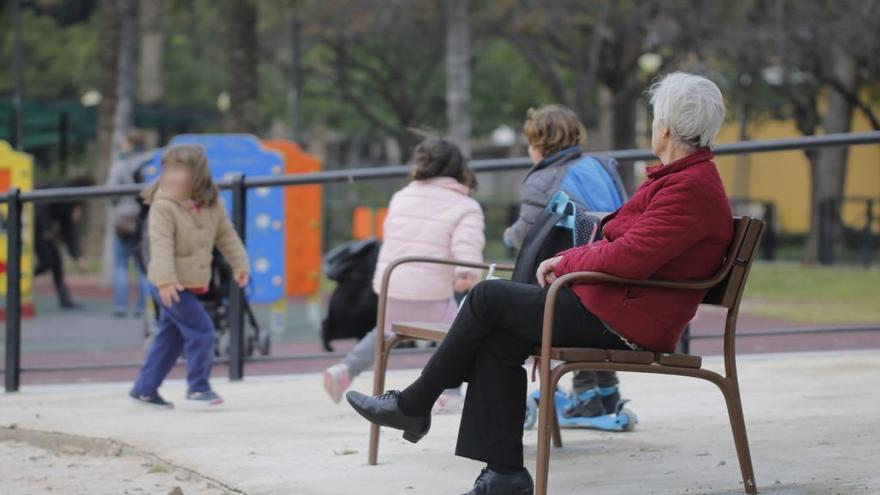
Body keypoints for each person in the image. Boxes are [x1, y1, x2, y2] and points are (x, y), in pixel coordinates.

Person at [345, 72, 733, 494]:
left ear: (668, 128)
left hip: (627, 321)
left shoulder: (689, 189)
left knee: (486, 296)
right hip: (616, 306)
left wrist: (566, 260)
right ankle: (504, 474)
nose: (653, 127)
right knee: (497, 341)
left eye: (654, 119)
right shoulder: (678, 180)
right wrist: (578, 258)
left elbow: (629, 256)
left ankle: (414, 404)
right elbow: (617, 239)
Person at [323, 138, 486, 408]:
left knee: (383, 331)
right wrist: (465, 273)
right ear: (458, 168)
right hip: (431, 288)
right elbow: (466, 245)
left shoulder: (401, 196)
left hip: (392, 283)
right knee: (456, 335)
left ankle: (344, 371)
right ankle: (450, 392)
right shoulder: (465, 205)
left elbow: (393, 237)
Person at [505, 104, 627, 420]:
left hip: (577, 278)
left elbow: (530, 233)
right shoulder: (600, 166)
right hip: (615, 273)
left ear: (539, 144)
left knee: (554, 302)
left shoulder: (542, 177)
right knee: (588, 306)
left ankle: (586, 394)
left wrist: (509, 236)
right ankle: (606, 394)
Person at [129, 145, 249, 409]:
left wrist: (240, 263)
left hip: (190, 282)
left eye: (178, 169)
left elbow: (226, 236)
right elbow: (159, 245)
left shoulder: (211, 204)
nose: (171, 175)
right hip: (168, 284)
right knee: (202, 330)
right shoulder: (163, 206)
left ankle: (145, 390)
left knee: (169, 339)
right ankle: (198, 388)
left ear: (197, 174)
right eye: (167, 169)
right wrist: (165, 281)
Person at [107, 128, 154, 317]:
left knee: (121, 264)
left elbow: (111, 191)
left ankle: (121, 306)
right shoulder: (149, 163)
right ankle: (143, 306)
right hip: (143, 217)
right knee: (142, 264)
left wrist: (118, 204)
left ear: (129, 143)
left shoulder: (120, 164)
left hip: (123, 217)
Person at [34, 177, 94, 309]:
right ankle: (18, 280)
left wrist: (77, 256)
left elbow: (69, 232)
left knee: (56, 263)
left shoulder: (73, 203)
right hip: (36, 225)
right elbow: (44, 205)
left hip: (45, 230)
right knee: (47, 262)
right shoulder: (63, 191)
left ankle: (65, 299)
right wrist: (47, 227)